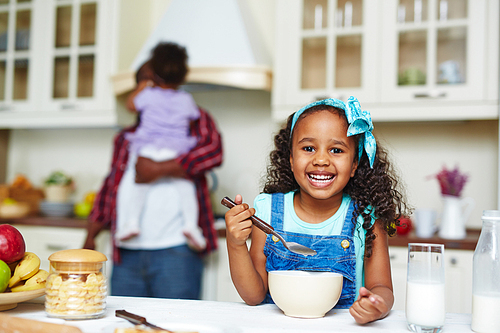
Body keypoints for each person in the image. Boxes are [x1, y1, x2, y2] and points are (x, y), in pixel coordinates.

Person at [224, 97, 410, 324]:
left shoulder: (366, 217)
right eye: (309, 148)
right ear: (291, 160)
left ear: (354, 165)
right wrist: (235, 244)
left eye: (336, 150)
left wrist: (377, 305)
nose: (321, 160)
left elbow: (382, 288)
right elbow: (254, 295)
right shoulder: (267, 209)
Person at [83, 59, 223, 299]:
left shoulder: (193, 121)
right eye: (151, 83)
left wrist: (158, 168)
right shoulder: (125, 139)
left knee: (175, 324)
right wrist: (90, 236)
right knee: (123, 323)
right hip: (125, 253)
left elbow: (213, 152)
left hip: (177, 251)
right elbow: (110, 188)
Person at [117, 42, 205, 251]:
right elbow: (192, 120)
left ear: (154, 73)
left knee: (140, 184)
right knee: (185, 188)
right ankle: (191, 226)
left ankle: (132, 223)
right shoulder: (186, 99)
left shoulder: (147, 95)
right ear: (183, 75)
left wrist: (142, 86)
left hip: (147, 146)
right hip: (174, 149)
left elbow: (130, 105)